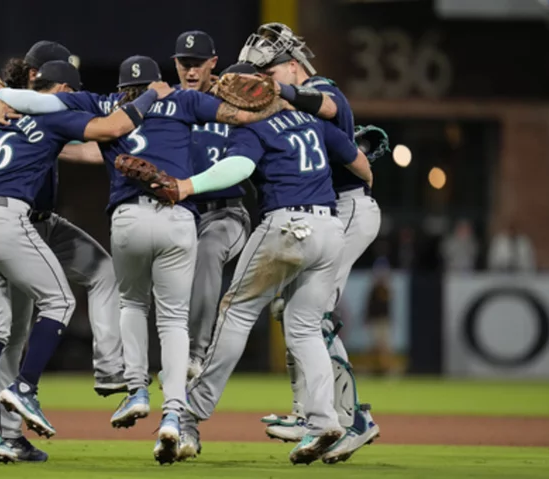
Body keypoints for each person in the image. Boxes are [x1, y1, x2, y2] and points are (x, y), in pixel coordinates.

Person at [0, 54, 286, 464]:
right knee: (172, 319)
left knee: (132, 303)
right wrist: (281, 101)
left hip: (129, 218)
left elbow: (43, 104)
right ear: (159, 81)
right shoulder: (183, 101)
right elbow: (240, 115)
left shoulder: (107, 104)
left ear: (123, 87)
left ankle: (135, 389)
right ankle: (173, 413)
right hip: (178, 217)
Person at [157, 62, 374, 464]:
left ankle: (191, 412)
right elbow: (361, 165)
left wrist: (188, 185)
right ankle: (323, 419)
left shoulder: (254, 127)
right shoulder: (312, 124)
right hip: (329, 229)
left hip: (286, 226)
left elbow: (238, 168)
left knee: (236, 312)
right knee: (305, 328)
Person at [0, 60, 160, 463]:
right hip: (8, 222)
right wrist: (154, 94)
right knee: (60, 303)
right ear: (63, 87)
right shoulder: (52, 115)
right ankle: (24, 388)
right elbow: (115, 128)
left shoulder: (3, 114)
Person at [240, 23, 381, 463]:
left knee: (311, 317)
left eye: (270, 71)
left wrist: (286, 94)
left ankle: (352, 419)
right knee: (294, 312)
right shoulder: (284, 103)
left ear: (293, 65)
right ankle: (311, 414)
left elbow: (327, 102)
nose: (266, 80)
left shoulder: (319, 86)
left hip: (347, 208)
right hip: (326, 212)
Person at [172, 30, 251, 379]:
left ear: (213, 64)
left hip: (226, 212)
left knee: (208, 251)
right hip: (181, 214)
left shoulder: (234, 102)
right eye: (184, 64)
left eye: (198, 65)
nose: (191, 71)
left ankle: (195, 352)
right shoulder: (167, 105)